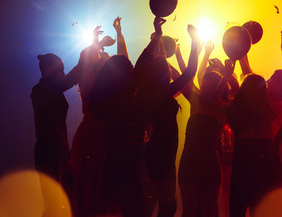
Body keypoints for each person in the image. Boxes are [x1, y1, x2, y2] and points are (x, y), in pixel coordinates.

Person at [88, 16, 166, 217]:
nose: (133, 71)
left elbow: (127, 61)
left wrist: (118, 33)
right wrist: (156, 36)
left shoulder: (109, 99)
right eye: (129, 71)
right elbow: (141, 64)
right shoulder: (123, 98)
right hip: (128, 173)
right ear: (124, 76)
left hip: (114, 172)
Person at [138, 25, 202, 217]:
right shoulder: (164, 92)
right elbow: (191, 71)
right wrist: (195, 41)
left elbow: (183, 71)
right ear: (163, 74)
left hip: (158, 149)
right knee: (167, 205)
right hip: (162, 152)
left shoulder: (149, 93)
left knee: (153, 201)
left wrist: (158, 45)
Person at [239, 30, 282, 216]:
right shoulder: (275, 102)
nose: (268, 80)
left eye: (273, 78)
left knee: (270, 207)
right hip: (274, 160)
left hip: (280, 162)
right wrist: (241, 51)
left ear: (281, 87)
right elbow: (249, 76)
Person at [171, 45, 235, 216]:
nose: (204, 91)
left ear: (218, 89)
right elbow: (183, 77)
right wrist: (171, 56)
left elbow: (233, 94)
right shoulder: (196, 101)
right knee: (189, 211)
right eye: (203, 87)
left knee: (209, 210)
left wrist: (228, 75)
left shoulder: (224, 108)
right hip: (189, 163)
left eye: (208, 88)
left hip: (209, 165)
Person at [31, 47, 94, 216]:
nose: (63, 72)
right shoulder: (40, 91)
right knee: (54, 206)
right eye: (60, 69)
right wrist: (89, 50)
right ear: (47, 70)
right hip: (49, 156)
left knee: (68, 202)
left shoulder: (50, 90)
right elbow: (72, 77)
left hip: (60, 154)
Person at [70, 24, 116, 217]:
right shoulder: (91, 79)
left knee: (97, 182)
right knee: (89, 180)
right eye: (102, 58)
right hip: (93, 133)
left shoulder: (109, 83)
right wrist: (96, 43)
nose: (104, 59)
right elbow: (92, 66)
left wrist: (96, 43)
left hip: (101, 133)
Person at [226, 73, 277, 217]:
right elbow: (270, 139)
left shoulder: (237, 114)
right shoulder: (269, 115)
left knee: (237, 211)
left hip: (241, 170)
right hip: (263, 171)